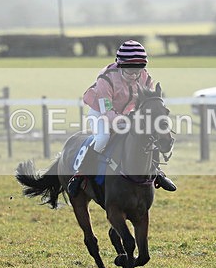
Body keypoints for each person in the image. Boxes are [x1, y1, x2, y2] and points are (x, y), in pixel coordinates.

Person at [67, 40, 176, 196]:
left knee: (150, 135)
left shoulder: (145, 77)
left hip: (127, 113)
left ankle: (157, 171)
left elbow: (148, 104)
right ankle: (80, 174)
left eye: (137, 72)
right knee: (103, 138)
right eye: (129, 72)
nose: (133, 76)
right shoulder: (106, 79)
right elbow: (107, 111)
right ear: (120, 66)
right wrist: (125, 122)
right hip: (100, 112)